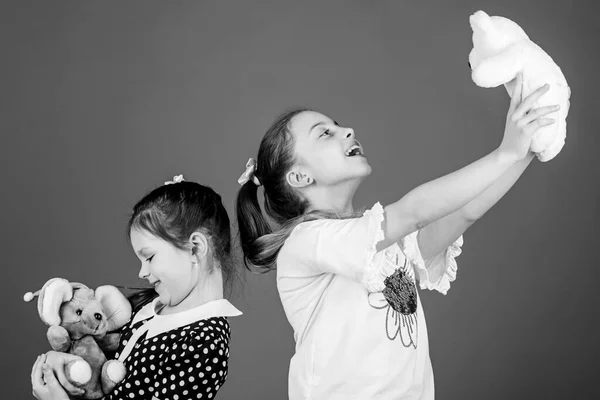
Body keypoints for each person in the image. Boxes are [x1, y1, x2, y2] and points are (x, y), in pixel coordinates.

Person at [235, 74, 559, 399]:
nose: (347, 130)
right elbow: (414, 211)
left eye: (338, 126)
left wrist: (528, 149)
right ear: (300, 176)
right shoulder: (306, 242)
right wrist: (504, 153)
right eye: (325, 134)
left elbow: (465, 211)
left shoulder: (385, 244)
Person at [31, 175, 242, 400]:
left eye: (149, 257)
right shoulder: (148, 306)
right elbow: (92, 349)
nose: (141, 272)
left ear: (195, 248)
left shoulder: (204, 343)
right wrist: (58, 362)